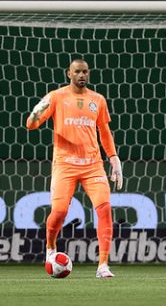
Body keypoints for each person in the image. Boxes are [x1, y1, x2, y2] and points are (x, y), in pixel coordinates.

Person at [25, 58, 123, 278]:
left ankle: (103, 265)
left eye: (85, 72)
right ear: (68, 73)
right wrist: (33, 115)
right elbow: (31, 126)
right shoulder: (56, 97)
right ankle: (51, 248)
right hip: (65, 164)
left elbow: (104, 132)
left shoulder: (97, 99)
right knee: (59, 212)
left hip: (93, 165)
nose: (82, 75)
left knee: (105, 210)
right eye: (77, 72)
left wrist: (114, 158)